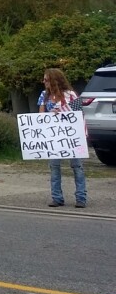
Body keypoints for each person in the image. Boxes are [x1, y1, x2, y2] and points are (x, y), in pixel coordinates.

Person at [40, 68, 87, 209]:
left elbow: (78, 114)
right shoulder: (44, 95)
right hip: (54, 137)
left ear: (55, 80)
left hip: (71, 137)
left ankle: (81, 198)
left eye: (46, 80)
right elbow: (41, 115)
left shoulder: (70, 95)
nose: (44, 82)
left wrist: (61, 112)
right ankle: (57, 198)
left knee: (77, 167)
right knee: (54, 167)